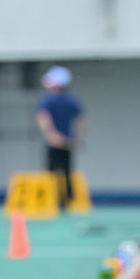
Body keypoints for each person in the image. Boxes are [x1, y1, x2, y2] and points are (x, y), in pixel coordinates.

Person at [35, 66, 87, 208]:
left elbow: (43, 118)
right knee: (67, 171)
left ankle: (53, 201)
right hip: (68, 142)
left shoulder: (48, 100)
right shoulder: (71, 100)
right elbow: (81, 119)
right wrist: (78, 138)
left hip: (53, 143)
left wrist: (51, 134)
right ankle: (67, 200)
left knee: (51, 172)